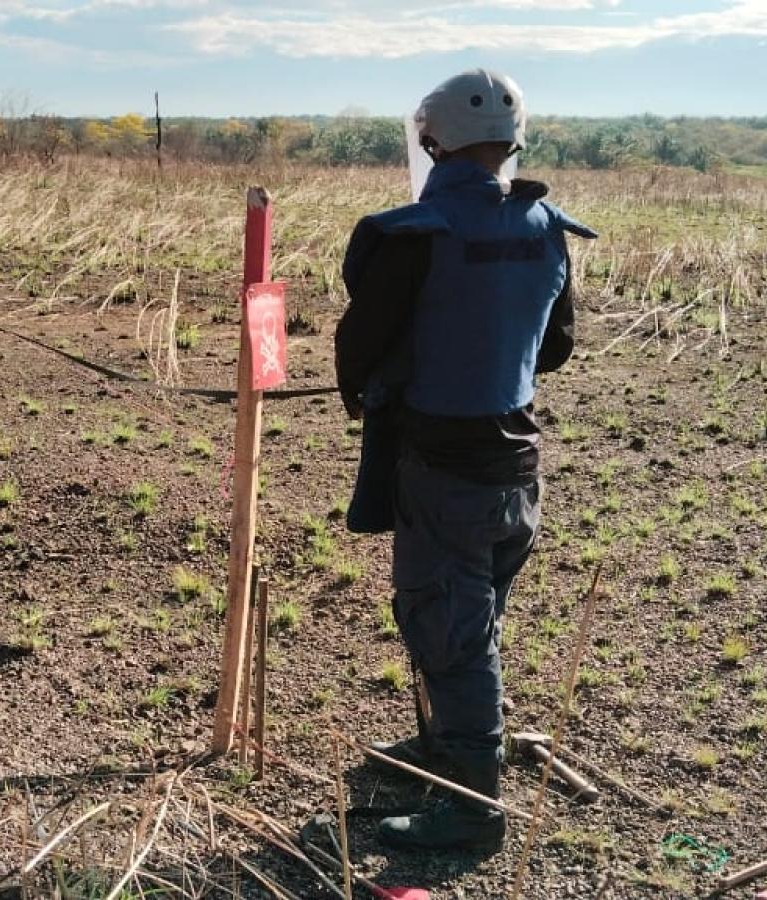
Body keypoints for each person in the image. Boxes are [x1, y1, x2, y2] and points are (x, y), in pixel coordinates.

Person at [335, 68, 596, 853]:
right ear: (514, 142)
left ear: (429, 138)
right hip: (518, 467)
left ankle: (472, 811)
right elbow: (556, 348)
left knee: (451, 629)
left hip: (442, 468)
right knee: (470, 621)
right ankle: (450, 751)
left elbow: (359, 348)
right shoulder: (548, 226)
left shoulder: (410, 234)